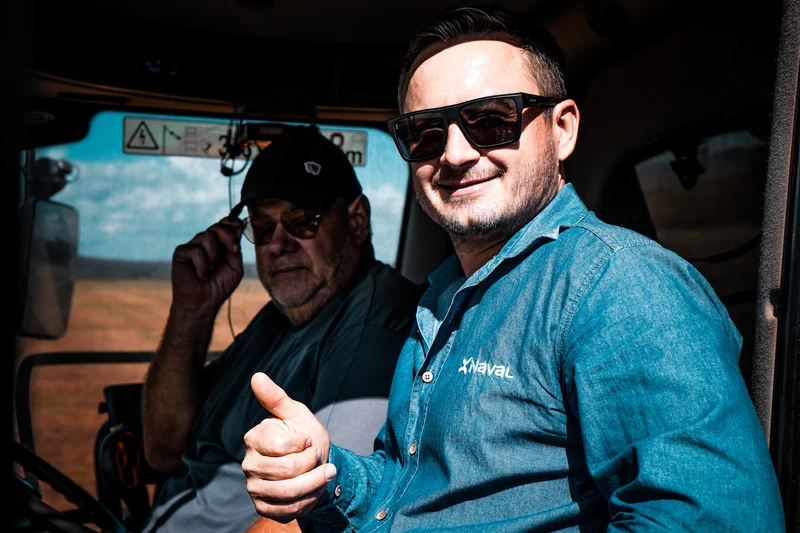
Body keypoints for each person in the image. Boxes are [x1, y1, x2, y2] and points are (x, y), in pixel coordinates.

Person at [240, 5, 786, 532]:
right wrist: (325, 474)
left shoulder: (622, 288)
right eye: (426, 132)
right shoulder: (445, 295)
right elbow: (406, 491)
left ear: (563, 129)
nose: (454, 153)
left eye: (491, 119)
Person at [140, 125, 423, 533]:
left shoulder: (373, 322)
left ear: (357, 221)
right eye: (262, 227)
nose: (278, 244)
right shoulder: (280, 317)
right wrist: (191, 309)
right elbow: (164, 450)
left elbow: (319, 510)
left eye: (302, 221)